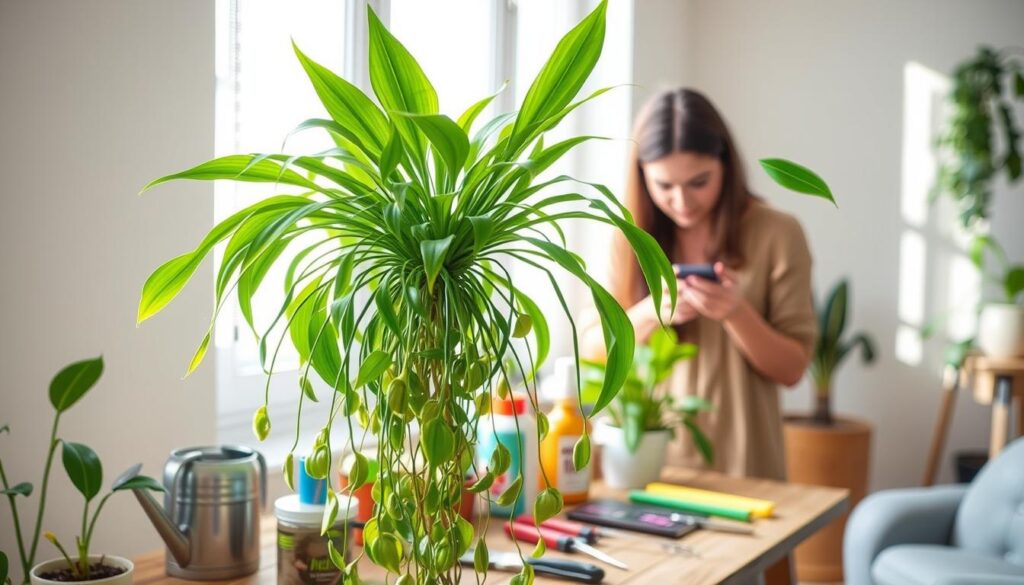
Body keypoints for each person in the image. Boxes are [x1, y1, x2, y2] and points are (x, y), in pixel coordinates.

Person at [582, 88, 817, 481]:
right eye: (664, 186)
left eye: (698, 182)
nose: (682, 201)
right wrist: (652, 313)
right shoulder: (628, 238)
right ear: (642, 177)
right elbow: (591, 350)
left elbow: (792, 369)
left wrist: (736, 313)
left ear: (725, 164)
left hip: (746, 469)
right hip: (645, 469)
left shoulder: (778, 233)